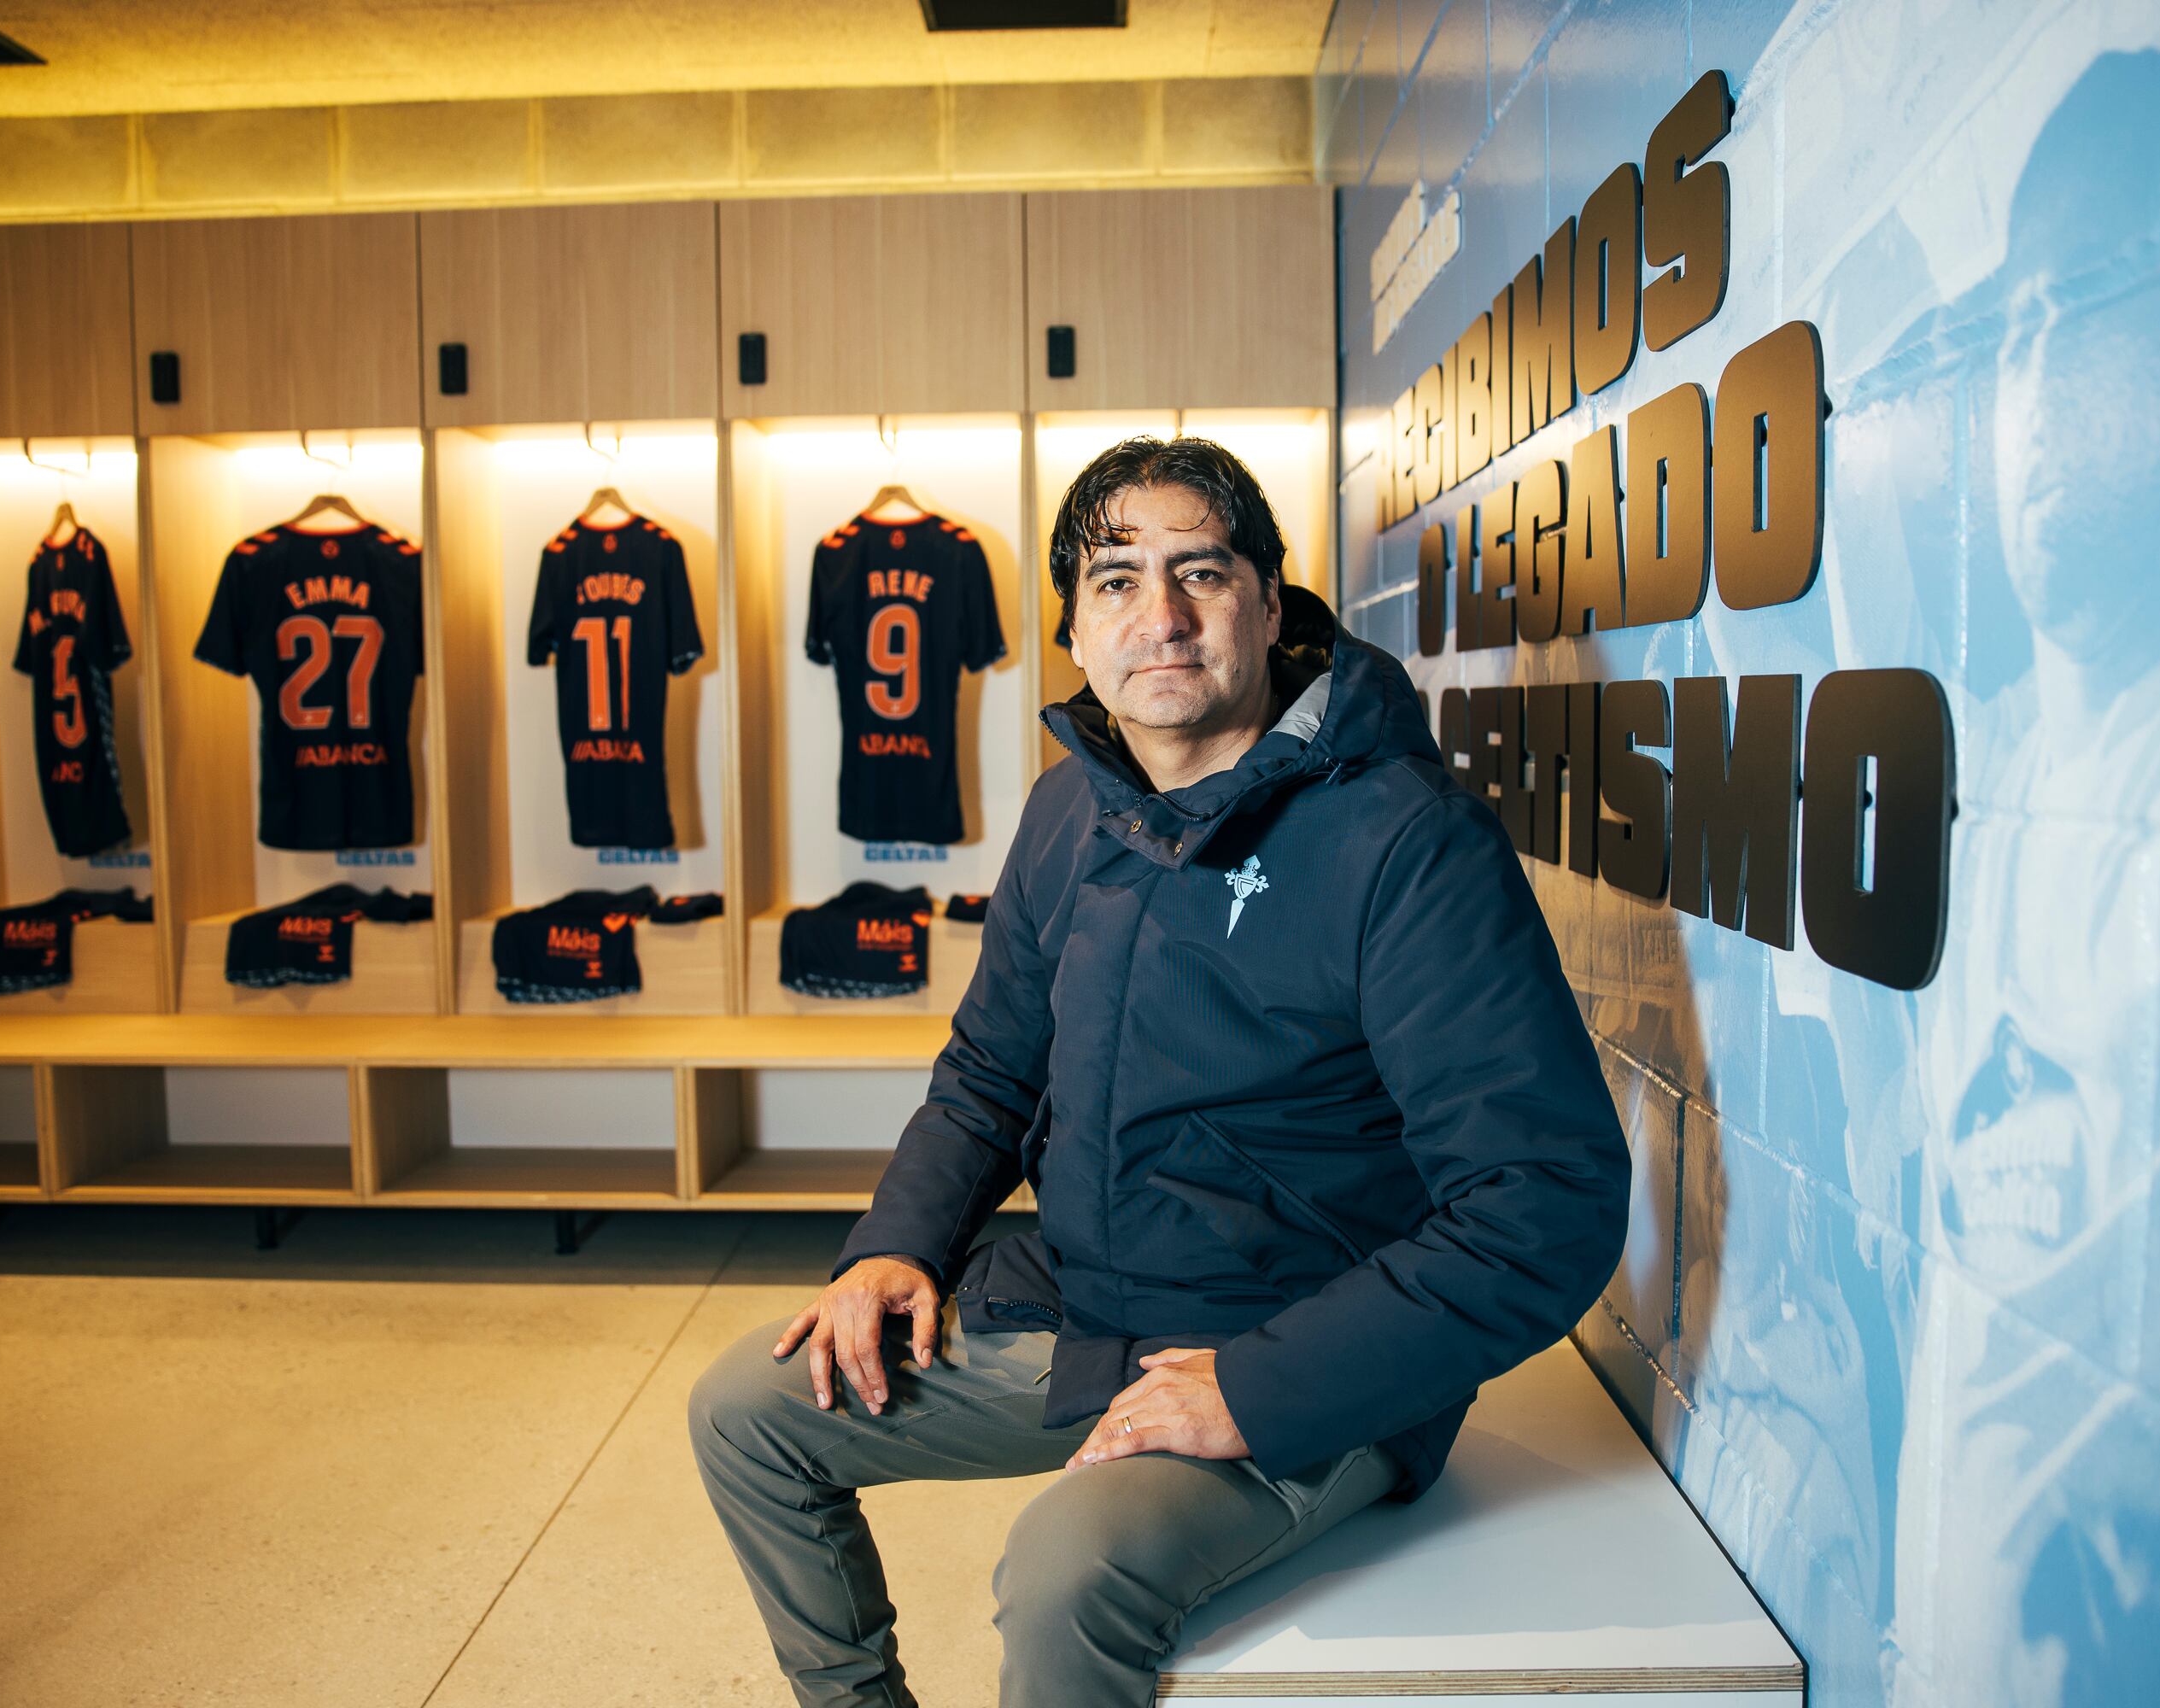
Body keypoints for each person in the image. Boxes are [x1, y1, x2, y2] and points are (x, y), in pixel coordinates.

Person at [688, 436, 1629, 1708]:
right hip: (1096, 1314)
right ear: (1075, 627)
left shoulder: (1406, 840)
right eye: (1119, 581)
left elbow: (1546, 1203)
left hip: (1311, 1356)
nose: (1164, 620)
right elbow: (989, 1075)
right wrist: (893, 1245)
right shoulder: (1068, 810)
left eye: (1202, 573)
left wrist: (1256, 1384)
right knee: (747, 1411)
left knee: (1068, 1568)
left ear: (1271, 599)